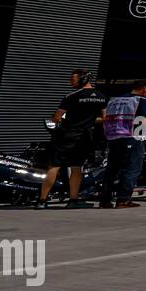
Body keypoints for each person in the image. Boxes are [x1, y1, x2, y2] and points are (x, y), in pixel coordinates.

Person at [37, 69, 107, 209]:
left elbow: (56, 118)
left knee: (54, 166)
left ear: (82, 79)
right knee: (76, 168)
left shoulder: (71, 96)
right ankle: (73, 200)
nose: (71, 82)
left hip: (66, 135)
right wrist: (89, 121)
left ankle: (42, 201)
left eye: (73, 80)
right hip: (85, 137)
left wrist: (67, 120)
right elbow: (104, 118)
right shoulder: (101, 96)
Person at [99, 79, 146, 209]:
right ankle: (123, 200)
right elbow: (141, 121)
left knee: (112, 169)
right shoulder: (141, 101)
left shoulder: (114, 100)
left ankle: (105, 200)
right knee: (131, 169)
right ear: (145, 89)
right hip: (132, 137)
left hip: (114, 136)